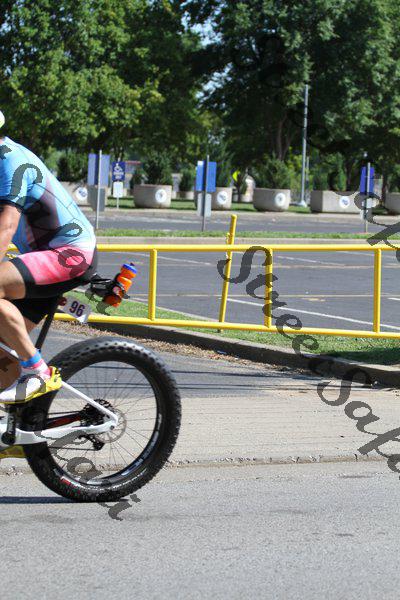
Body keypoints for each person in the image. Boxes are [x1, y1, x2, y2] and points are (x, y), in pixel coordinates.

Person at [0, 112, 97, 402]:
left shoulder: (11, 161)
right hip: (41, 259)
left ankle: (38, 371)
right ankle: (19, 426)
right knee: (2, 350)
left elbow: (6, 226)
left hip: (70, 254)